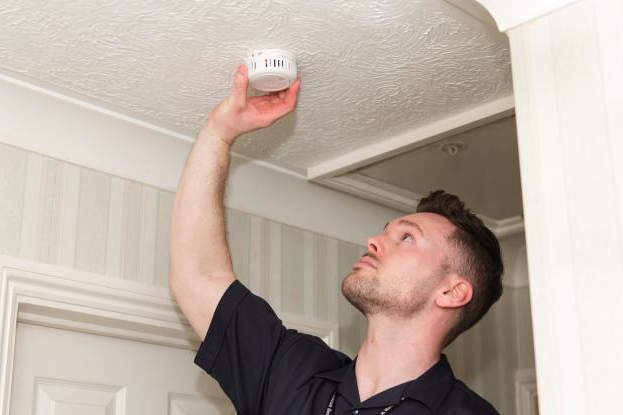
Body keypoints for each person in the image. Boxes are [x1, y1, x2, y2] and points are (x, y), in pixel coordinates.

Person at [169, 64, 502, 414]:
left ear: (452, 292)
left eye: (406, 238)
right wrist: (219, 133)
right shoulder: (293, 370)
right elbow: (198, 276)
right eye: (385, 230)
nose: (374, 241)